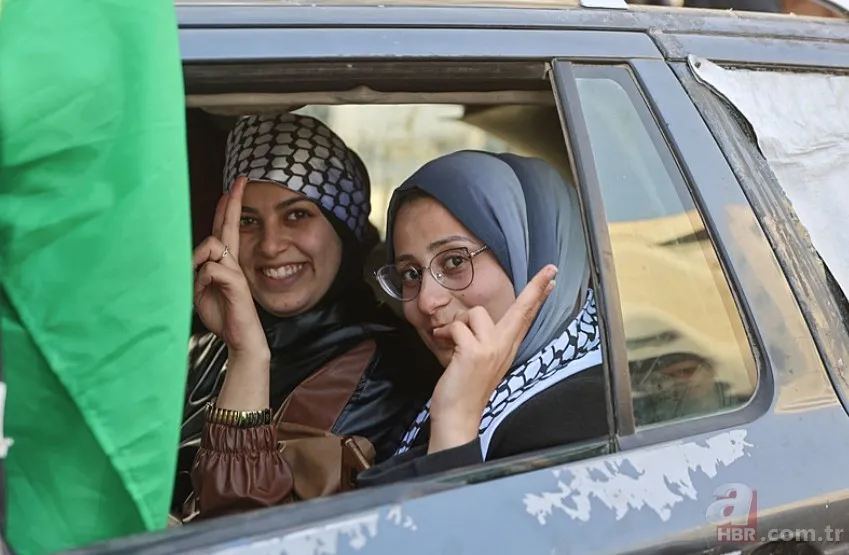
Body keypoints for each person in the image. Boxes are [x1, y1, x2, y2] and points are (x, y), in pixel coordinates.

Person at [173, 113, 439, 519]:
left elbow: (250, 530)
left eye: (297, 214)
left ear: (343, 228)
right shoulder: (203, 344)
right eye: (247, 220)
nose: (271, 245)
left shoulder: (385, 372)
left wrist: (248, 357)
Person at [358, 150, 609, 484]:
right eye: (410, 274)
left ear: (531, 257)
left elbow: (447, 535)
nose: (426, 301)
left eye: (454, 262)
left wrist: (455, 419)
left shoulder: (579, 415)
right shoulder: (437, 381)